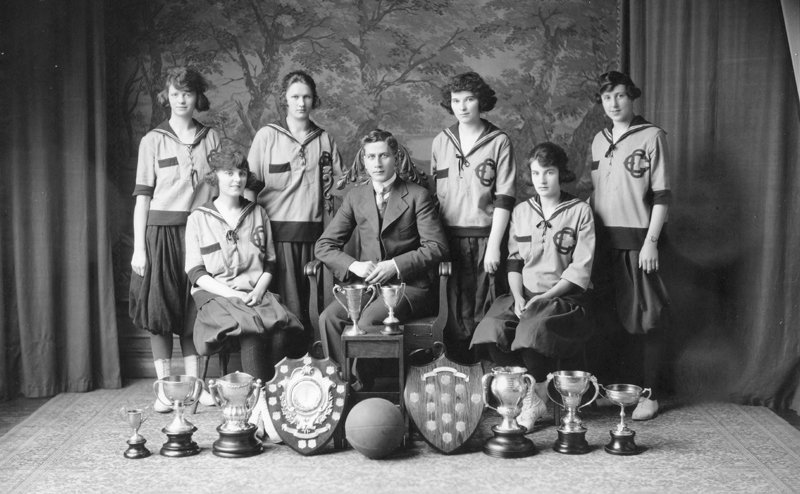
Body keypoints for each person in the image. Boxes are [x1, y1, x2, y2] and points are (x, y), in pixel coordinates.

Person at [471, 142, 595, 430]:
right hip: (525, 295)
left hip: (563, 299)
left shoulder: (580, 211)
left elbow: (580, 268)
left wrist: (545, 297)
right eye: (536, 173)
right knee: (491, 328)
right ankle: (530, 397)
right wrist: (517, 297)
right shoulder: (521, 212)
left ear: (561, 173)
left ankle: (537, 389)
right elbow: (514, 262)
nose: (542, 180)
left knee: (531, 328)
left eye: (549, 172)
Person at [185, 149, 305, 442]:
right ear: (215, 177)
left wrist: (259, 289)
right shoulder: (198, 218)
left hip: (254, 293)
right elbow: (195, 272)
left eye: (241, 173)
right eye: (228, 173)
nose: (236, 179)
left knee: (281, 331)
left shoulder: (257, 213)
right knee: (251, 331)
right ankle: (258, 411)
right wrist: (231, 294)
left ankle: (273, 403)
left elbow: (270, 263)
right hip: (215, 295)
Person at [316, 129, 448, 385]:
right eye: (371, 157)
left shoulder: (417, 195)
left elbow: (437, 247)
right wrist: (354, 265)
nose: (377, 163)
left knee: (368, 321)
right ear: (364, 161)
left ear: (395, 158)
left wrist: (394, 266)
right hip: (367, 285)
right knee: (329, 318)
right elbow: (324, 246)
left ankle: (362, 386)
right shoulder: (356, 197)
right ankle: (340, 384)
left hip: (408, 287)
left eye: (384, 156)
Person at [129, 67, 219, 412]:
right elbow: (142, 199)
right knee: (160, 309)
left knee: (194, 309)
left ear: (198, 97)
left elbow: (221, 191)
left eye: (188, 93)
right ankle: (165, 390)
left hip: (199, 231)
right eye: (176, 93)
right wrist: (139, 249)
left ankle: (196, 387)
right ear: (166, 97)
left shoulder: (211, 138)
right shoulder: (152, 140)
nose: (182, 100)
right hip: (160, 235)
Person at [588, 71, 671, 420]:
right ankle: (620, 389)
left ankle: (650, 394)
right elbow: (596, 194)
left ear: (632, 97)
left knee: (645, 317)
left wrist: (651, 242)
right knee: (611, 318)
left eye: (620, 96)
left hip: (639, 241)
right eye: (607, 98)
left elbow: (662, 195)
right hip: (604, 243)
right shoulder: (598, 140)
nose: (614, 103)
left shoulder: (652, 136)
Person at [245, 70, 343, 353]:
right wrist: (251, 237)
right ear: (284, 99)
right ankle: (281, 368)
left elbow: (341, 187)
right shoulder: (267, 136)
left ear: (314, 100)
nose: (301, 103)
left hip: (315, 239)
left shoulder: (324, 139)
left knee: (313, 307)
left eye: (307, 97)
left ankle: (312, 367)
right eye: (295, 97)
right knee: (283, 310)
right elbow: (249, 190)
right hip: (275, 238)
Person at [431, 72, 516, 361]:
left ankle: (489, 371)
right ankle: (458, 371)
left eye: (469, 99)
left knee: (485, 304)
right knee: (454, 308)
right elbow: (435, 197)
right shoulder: (441, 141)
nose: (462, 107)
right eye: (456, 101)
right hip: (448, 240)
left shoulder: (499, 141)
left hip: (485, 237)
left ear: (481, 101)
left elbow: (504, 198)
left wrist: (493, 245)